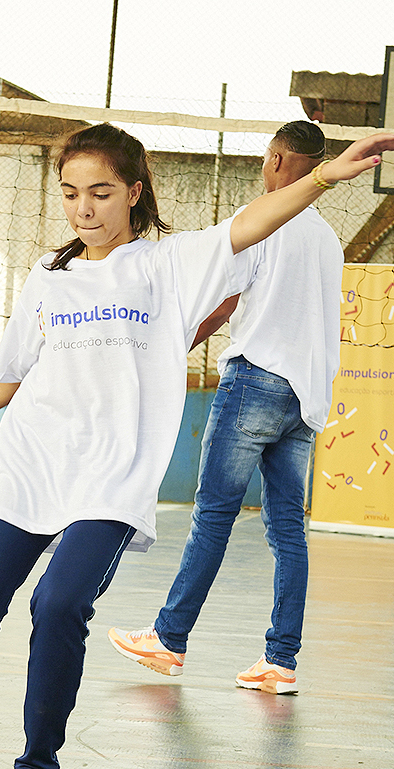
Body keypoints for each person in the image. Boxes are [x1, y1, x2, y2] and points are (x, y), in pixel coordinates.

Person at [0, 123, 394, 769]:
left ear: (133, 193)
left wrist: (326, 177)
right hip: (30, 469)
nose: (84, 209)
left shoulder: (169, 265)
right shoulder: (46, 279)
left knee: (58, 606)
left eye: (100, 193)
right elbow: (6, 381)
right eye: (70, 195)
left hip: (111, 482)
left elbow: (254, 220)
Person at [106, 122, 350, 695]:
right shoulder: (329, 241)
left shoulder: (265, 218)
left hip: (255, 382)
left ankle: (169, 640)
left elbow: (224, 298)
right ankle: (281, 662)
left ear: (280, 160)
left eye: (268, 160)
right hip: (306, 398)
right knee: (289, 530)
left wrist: (171, 344)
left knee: (213, 516)